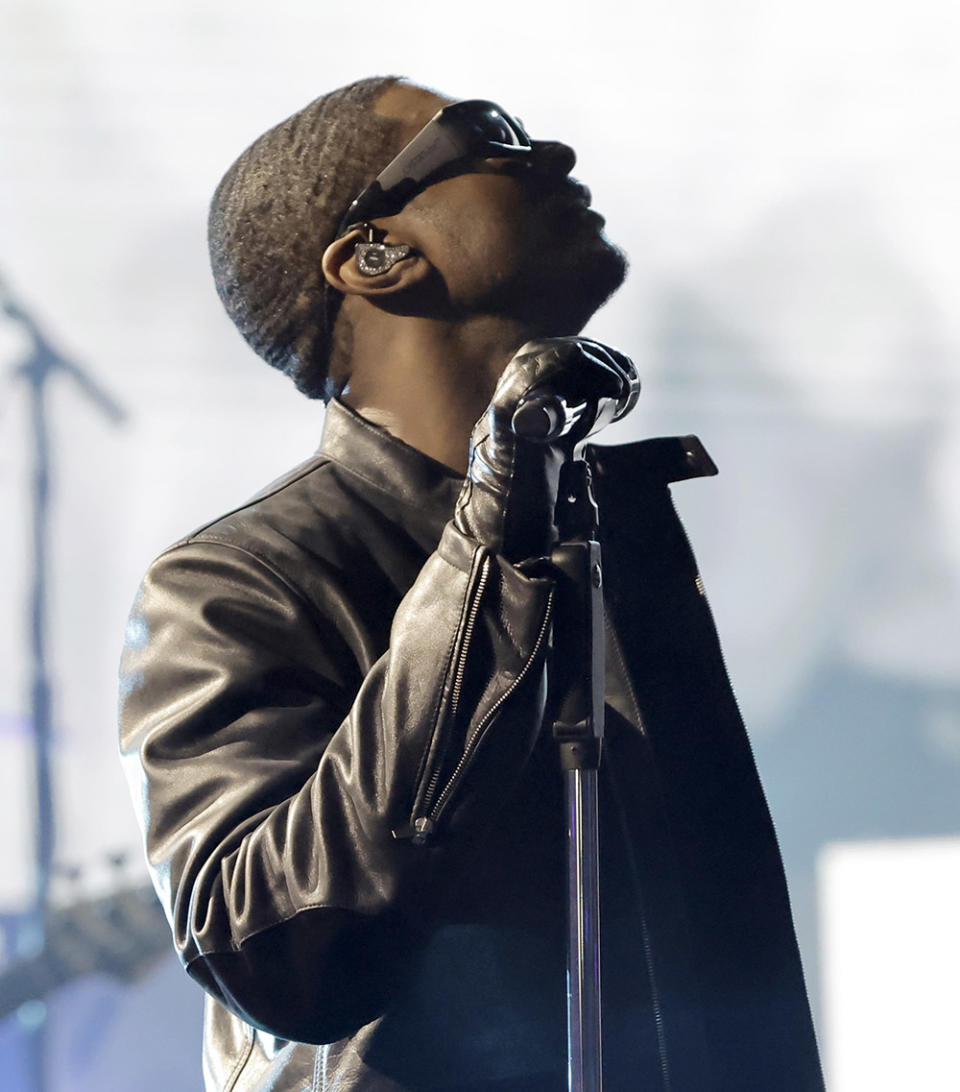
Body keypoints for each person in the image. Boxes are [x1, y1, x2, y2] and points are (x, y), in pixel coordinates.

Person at [119, 76, 824, 1091]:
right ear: (375, 254)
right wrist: (498, 521)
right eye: (492, 138)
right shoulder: (232, 584)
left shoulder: (612, 546)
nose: (557, 158)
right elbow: (282, 955)